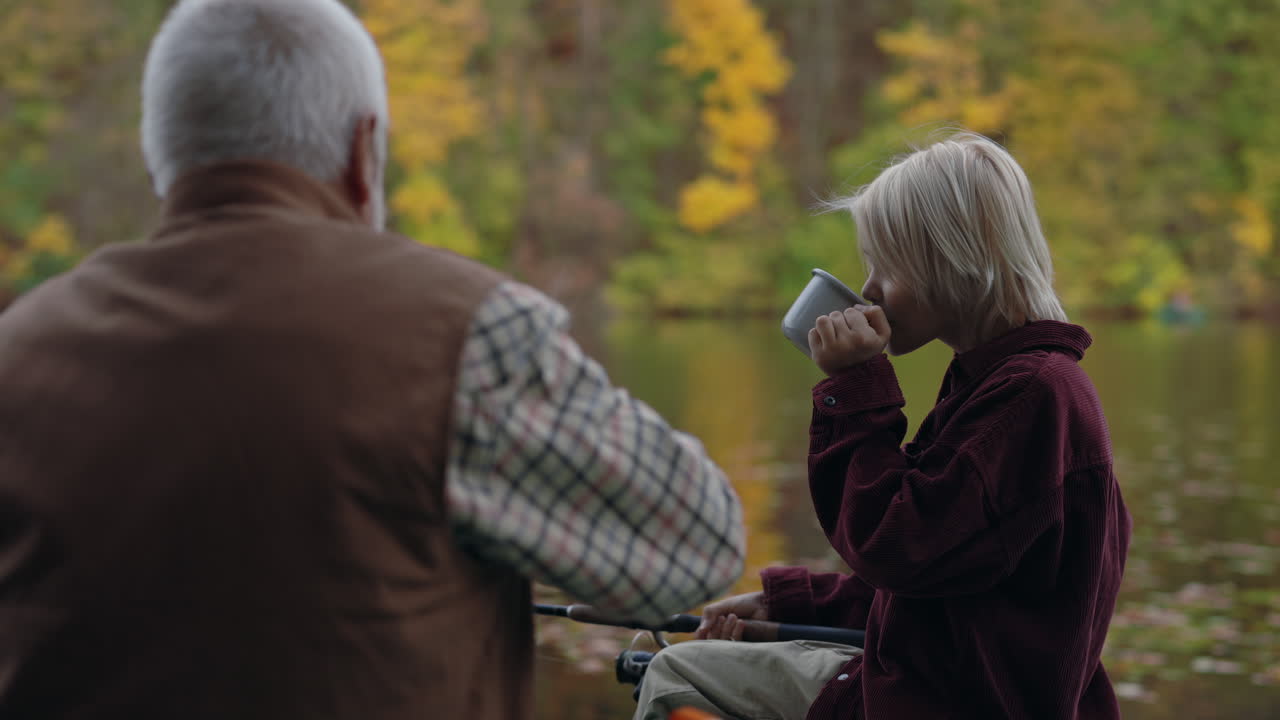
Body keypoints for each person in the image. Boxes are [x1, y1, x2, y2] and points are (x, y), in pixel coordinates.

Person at [0, 1, 746, 719]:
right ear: (364, 152)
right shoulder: (467, 334)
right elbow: (698, 549)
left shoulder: (18, 350)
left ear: (163, 155)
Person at [633, 132, 1132, 720]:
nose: (868, 289)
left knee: (672, 676)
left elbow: (897, 547)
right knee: (687, 666)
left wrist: (855, 385)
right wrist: (785, 605)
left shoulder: (1033, 395)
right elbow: (939, 580)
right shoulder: (1006, 382)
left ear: (951, 258)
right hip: (926, 682)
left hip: (939, 702)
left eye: (883, 265)